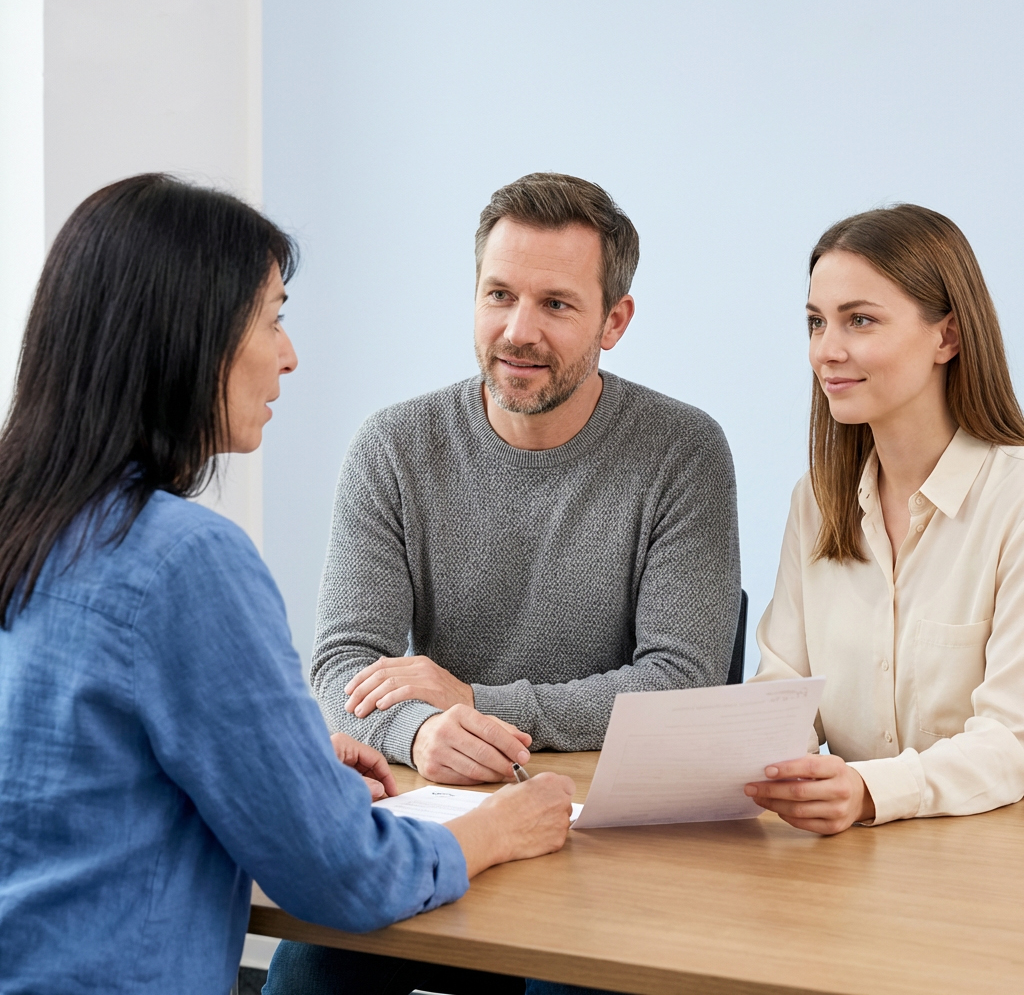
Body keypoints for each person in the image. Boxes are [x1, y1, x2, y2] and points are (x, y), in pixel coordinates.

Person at [0, 174, 575, 995]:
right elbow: (343, 874)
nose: (290, 354)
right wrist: (497, 829)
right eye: (273, 318)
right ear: (188, 336)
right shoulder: (185, 560)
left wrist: (281, 760)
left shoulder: (25, 524)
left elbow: (80, 772)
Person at [312, 172, 742, 785]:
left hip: (616, 802)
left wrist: (474, 702)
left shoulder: (683, 450)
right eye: (499, 295)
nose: (517, 332)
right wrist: (418, 731)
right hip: (452, 795)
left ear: (614, 321)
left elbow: (681, 684)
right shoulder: (392, 447)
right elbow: (343, 663)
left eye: (555, 304)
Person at [746, 204, 1024, 834]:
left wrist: (868, 790)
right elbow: (784, 690)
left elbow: (1012, 738)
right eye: (816, 322)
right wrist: (770, 764)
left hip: (989, 862)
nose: (826, 351)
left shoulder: (1013, 501)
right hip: (851, 860)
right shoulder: (816, 501)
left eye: (860, 320)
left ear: (947, 337)